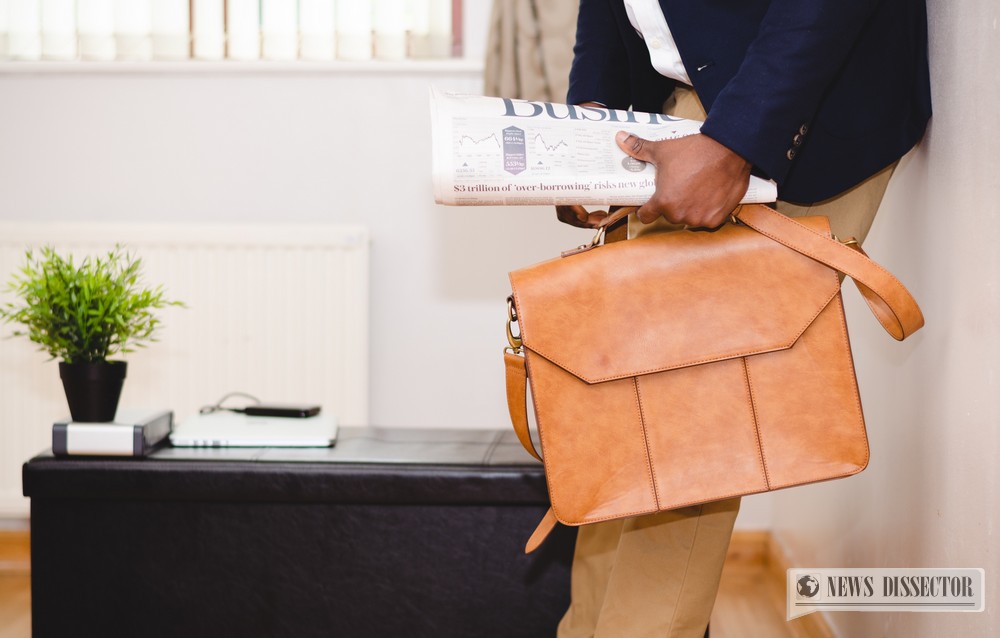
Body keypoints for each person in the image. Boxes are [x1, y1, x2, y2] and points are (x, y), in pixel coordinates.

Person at [553, 1, 931, 637]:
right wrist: (591, 119)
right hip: (676, 106)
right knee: (625, 415)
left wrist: (736, 141)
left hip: (793, 105)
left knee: (690, 425)